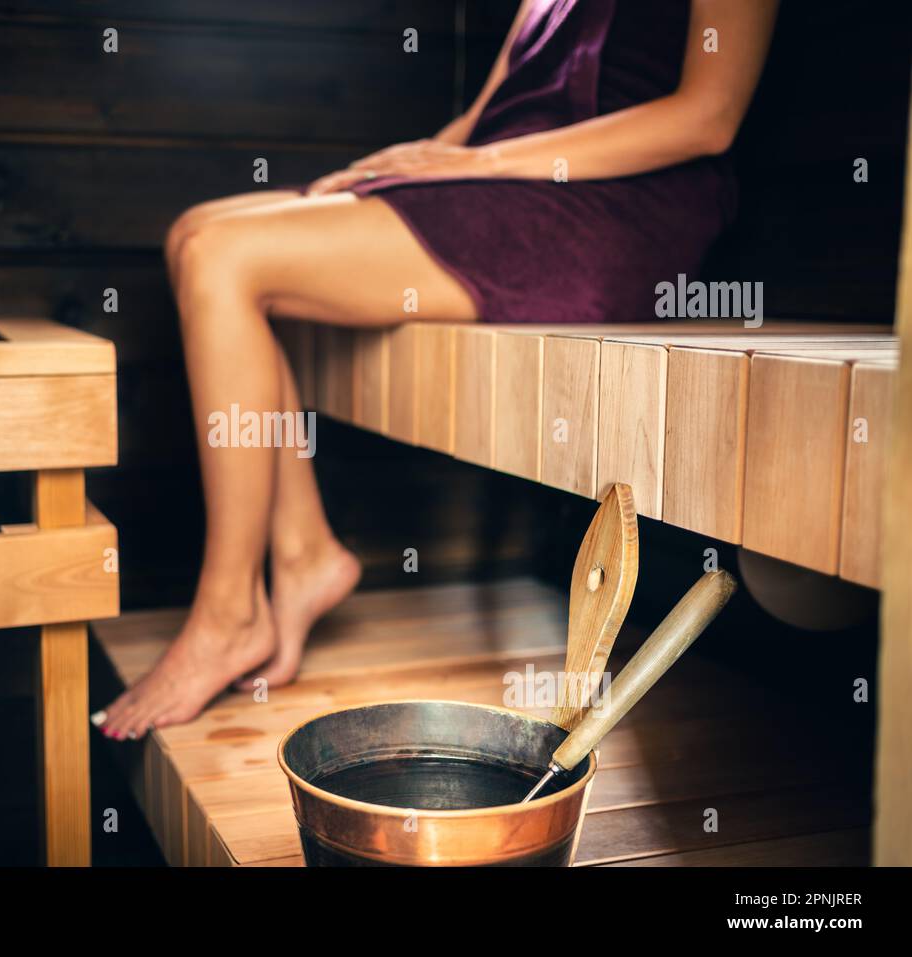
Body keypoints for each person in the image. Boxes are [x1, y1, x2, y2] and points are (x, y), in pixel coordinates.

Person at [94, 0, 780, 739]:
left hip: (610, 211)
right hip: (504, 185)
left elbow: (708, 116)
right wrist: (399, 165)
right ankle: (301, 553)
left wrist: (472, 164)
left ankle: (228, 613)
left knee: (220, 258)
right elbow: (492, 112)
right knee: (194, 233)